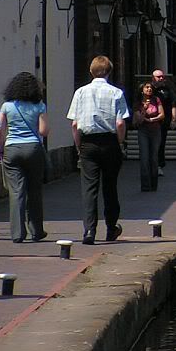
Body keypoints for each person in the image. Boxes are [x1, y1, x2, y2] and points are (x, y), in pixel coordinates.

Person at [67, 55, 130, 245]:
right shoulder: (116, 93)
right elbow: (120, 122)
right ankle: (111, 228)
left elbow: (75, 123)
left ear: (91, 71)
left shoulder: (80, 92)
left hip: (88, 143)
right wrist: (119, 142)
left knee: (89, 188)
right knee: (110, 187)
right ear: (109, 71)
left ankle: (89, 231)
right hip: (110, 142)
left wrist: (79, 146)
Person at [0, 72, 48, 243]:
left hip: (12, 149)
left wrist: (0, 150)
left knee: (16, 192)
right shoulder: (39, 105)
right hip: (33, 148)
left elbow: (1, 132)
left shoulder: (7, 106)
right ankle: (37, 231)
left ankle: (18, 233)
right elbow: (43, 131)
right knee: (34, 190)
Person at [133, 81, 164, 191]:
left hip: (155, 131)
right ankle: (145, 185)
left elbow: (162, 115)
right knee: (145, 157)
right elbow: (139, 120)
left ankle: (154, 184)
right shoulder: (138, 103)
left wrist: (152, 119)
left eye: (150, 87)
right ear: (142, 90)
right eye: (146, 87)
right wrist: (144, 109)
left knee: (154, 157)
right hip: (143, 131)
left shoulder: (156, 100)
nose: (149, 89)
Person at [151, 69, 176, 177]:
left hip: (162, 122)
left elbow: (173, 104)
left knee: (161, 144)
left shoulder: (167, 90)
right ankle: (150, 165)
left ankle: (159, 165)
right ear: (153, 78)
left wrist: (173, 119)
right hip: (149, 123)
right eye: (158, 77)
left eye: (162, 77)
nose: (161, 78)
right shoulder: (148, 89)